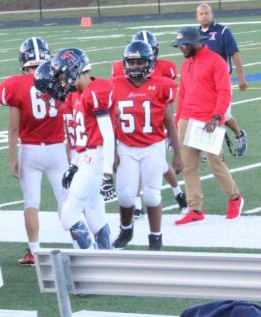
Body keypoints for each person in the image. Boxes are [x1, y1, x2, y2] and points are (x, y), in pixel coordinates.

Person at [34, 49, 114, 250]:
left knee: (68, 214)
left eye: (61, 74)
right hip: (87, 158)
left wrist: (107, 173)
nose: (61, 80)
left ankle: (90, 259)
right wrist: (74, 165)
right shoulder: (78, 94)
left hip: (95, 158)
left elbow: (108, 135)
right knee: (95, 212)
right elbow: (81, 138)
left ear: (73, 68)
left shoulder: (96, 90)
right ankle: (107, 256)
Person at [0, 37, 67, 265]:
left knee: (31, 203)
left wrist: (11, 158)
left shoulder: (14, 85)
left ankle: (35, 252)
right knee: (66, 201)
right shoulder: (59, 79)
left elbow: (13, 127)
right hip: (58, 148)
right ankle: (80, 245)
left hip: (30, 150)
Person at [111, 41, 183, 250]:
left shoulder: (162, 85)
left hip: (153, 145)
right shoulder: (114, 85)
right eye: (131, 62)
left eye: (139, 62)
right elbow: (110, 121)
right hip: (125, 145)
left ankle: (155, 237)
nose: (134, 66)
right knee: (125, 195)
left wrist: (177, 153)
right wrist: (112, 151)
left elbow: (169, 120)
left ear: (149, 63)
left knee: (151, 195)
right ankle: (126, 229)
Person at [171, 27, 244, 224]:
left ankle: (235, 198)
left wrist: (217, 116)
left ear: (196, 42)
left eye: (184, 45)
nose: (181, 49)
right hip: (187, 119)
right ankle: (195, 209)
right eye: (179, 45)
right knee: (189, 166)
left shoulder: (215, 61)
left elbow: (224, 91)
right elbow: (183, 94)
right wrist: (178, 119)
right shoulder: (186, 65)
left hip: (208, 120)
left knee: (215, 163)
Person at [197, 3, 248, 155]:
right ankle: (210, 148)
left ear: (212, 14)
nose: (204, 16)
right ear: (197, 16)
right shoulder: (196, 34)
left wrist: (240, 77)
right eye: (201, 14)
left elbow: (235, 54)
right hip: (204, 82)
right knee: (205, 113)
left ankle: (239, 135)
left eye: (206, 13)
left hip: (222, 80)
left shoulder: (223, 31)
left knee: (223, 115)